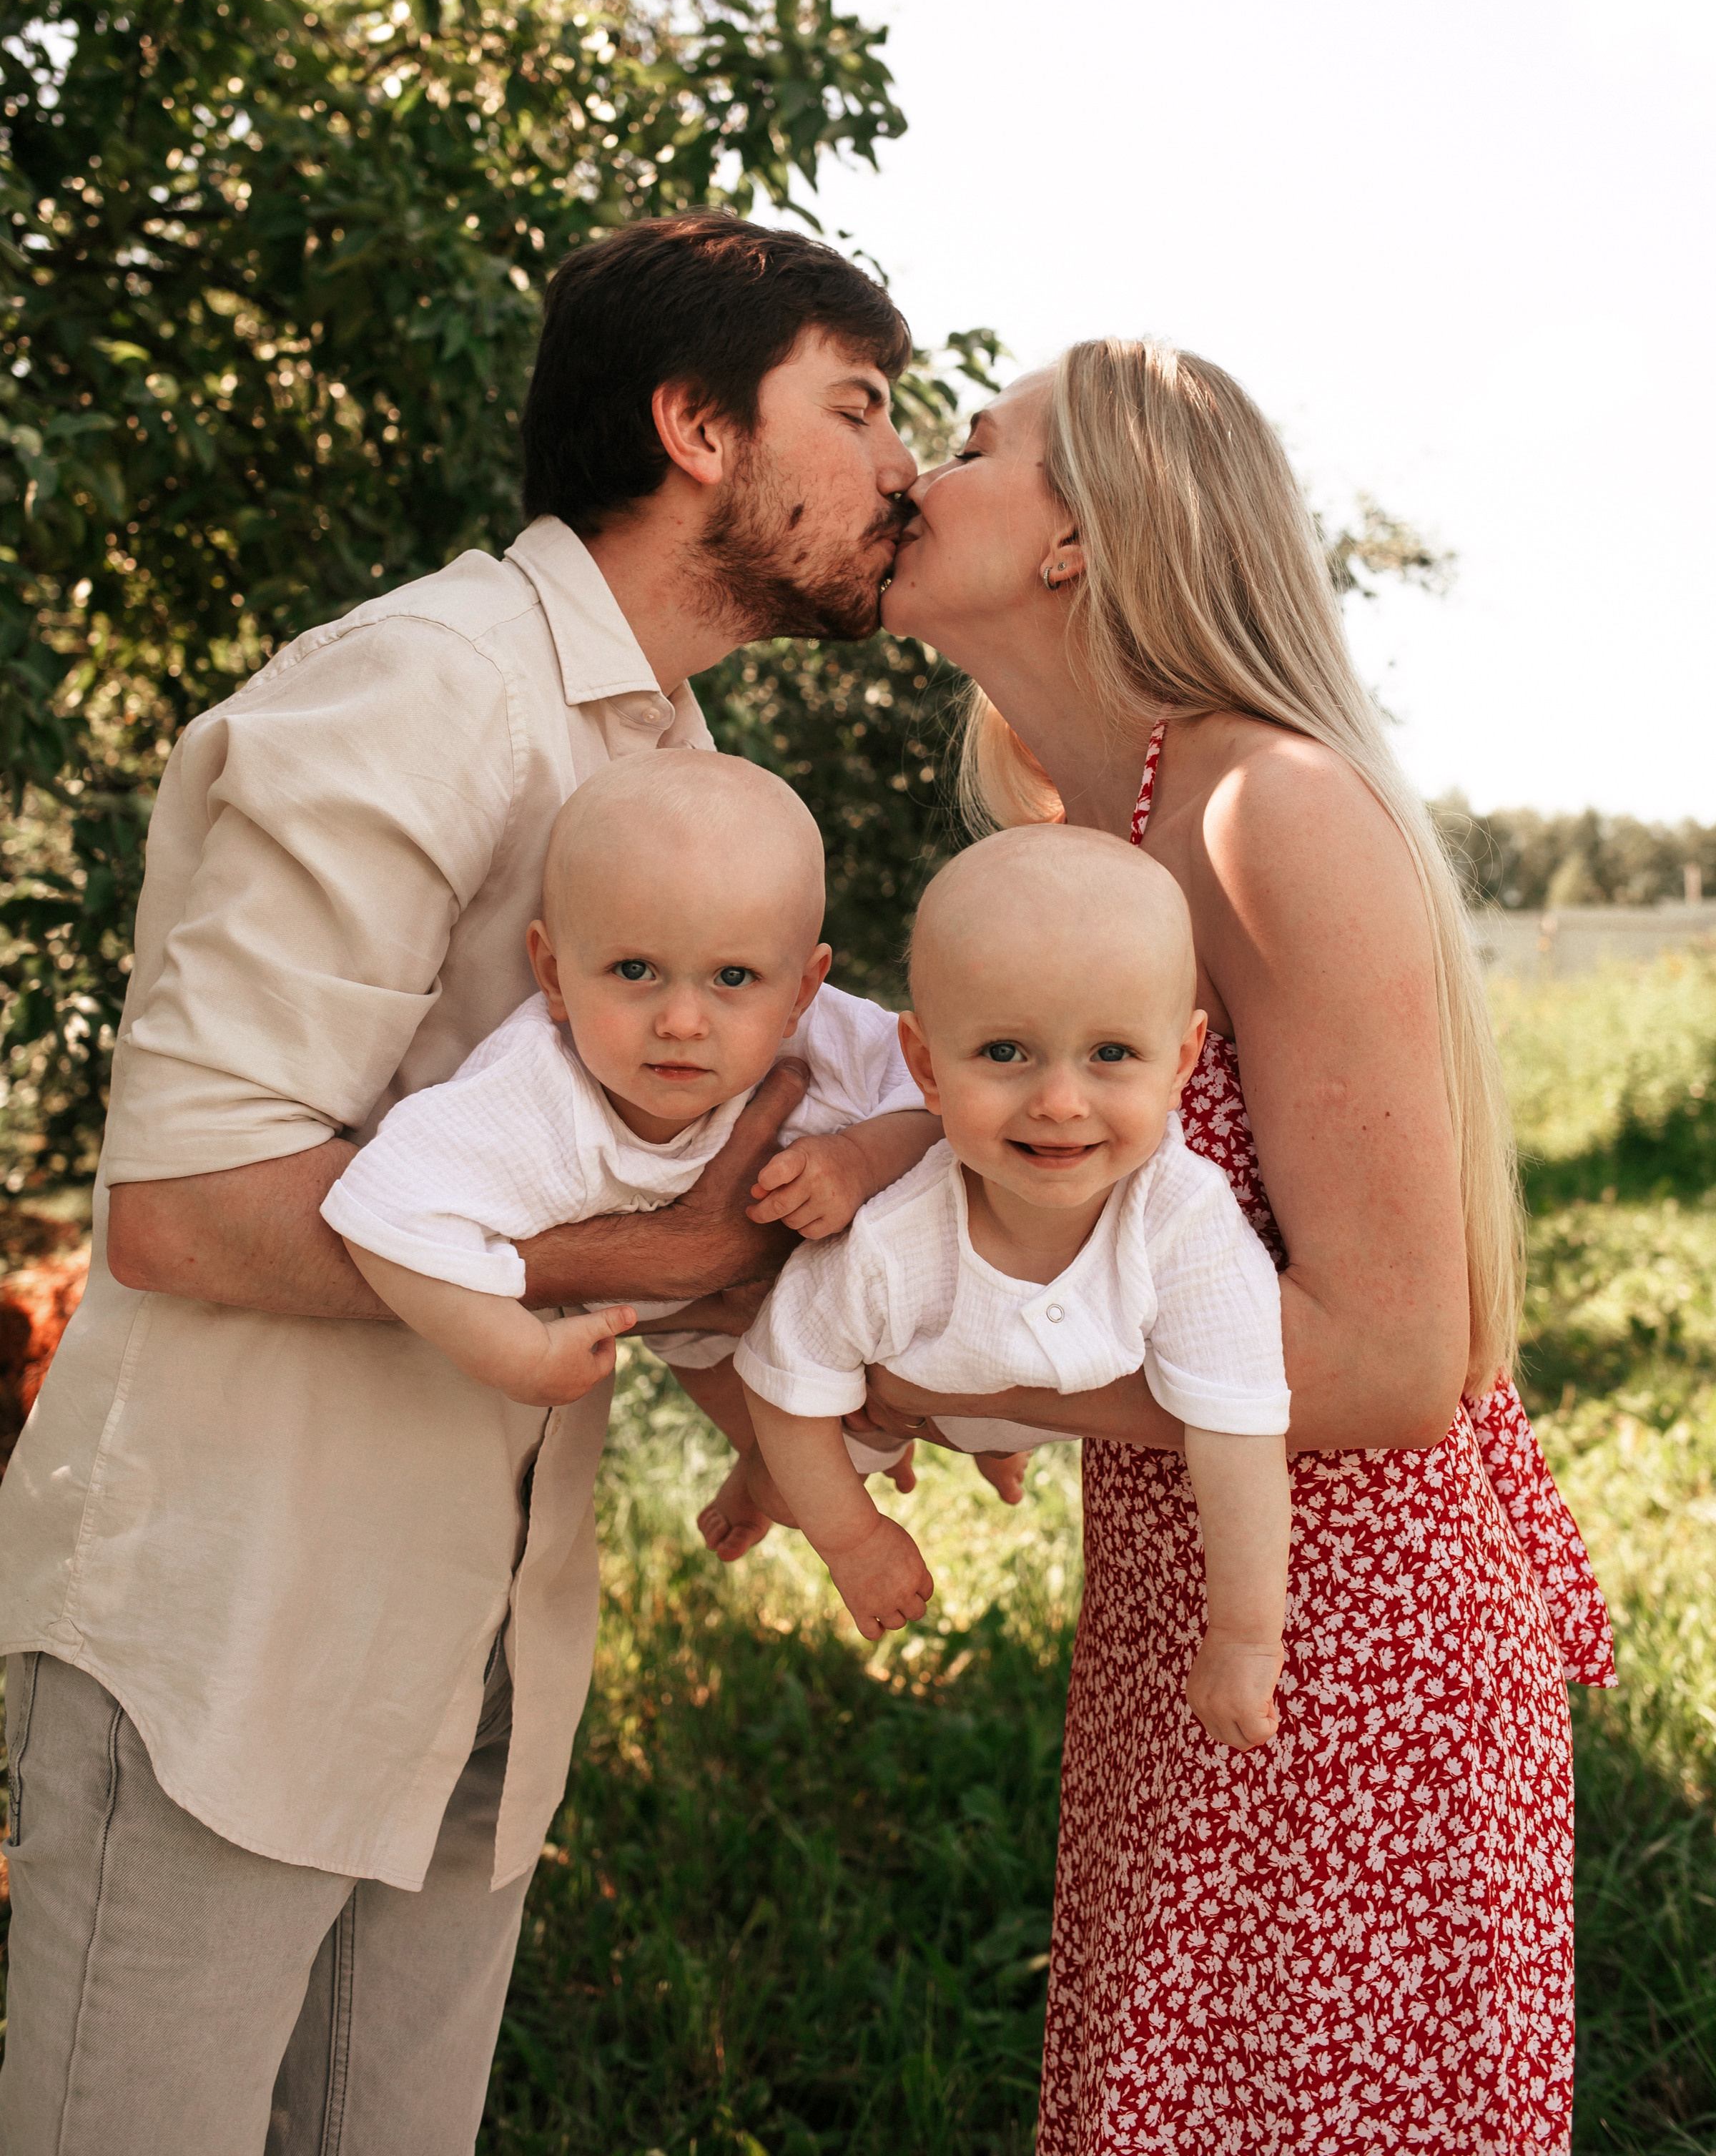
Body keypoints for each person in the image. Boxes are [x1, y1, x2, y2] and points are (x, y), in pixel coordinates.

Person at [0, 214, 919, 2156]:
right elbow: (184, 1207)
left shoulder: (669, 748)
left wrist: (768, 1380)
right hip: (236, 1638)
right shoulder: (421, 688)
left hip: (483, 1649)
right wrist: (657, 1259)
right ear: (694, 425)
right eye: (858, 409)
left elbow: (612, 1158)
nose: (902, 471)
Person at [864, 338, 1617, 2155]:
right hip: (1194, 1619)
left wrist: (960, 1377)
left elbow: (1382, 1358)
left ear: (1073, 533)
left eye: (967, 446)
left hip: (1354, 1661)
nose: (910, 472)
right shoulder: (1086, 835)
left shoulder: (1259, 809)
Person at [736, 826, 1292, 1757]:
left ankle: (998, 1447)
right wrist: (856, 1541)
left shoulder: (1183, 1218)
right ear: (924, 1067)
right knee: (796, 1477)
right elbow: (786, 1381)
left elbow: (1238, 1429)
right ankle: (748, 1490)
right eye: (1005, 1052)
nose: (1061, 1102)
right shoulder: (890, 1243)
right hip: (899, 1390)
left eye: (1112, 1053)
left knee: (1025, 1413)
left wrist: (1243, 1633)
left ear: (1186, 1061)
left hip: (1045, 1385)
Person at [322, 749, 937, 1443]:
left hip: (895, 1292)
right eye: (635, 970)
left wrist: (859, 1160)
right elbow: (382, 1205)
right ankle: (788, 1479)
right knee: (773, 1425)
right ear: (553, 974)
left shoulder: (828, 1034)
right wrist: (510, 1354)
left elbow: (944, 1098)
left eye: (733, 977)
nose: (680, 1022)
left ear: (802, 990)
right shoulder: (529, 1091)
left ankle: (988, 1437)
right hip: (707, 1330)